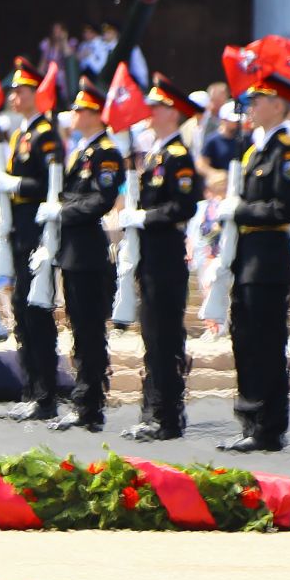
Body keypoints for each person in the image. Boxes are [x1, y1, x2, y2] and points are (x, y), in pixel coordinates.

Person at [217, 67, 290, 453]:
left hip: (268, 258)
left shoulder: (287, 151)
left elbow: (286, 208)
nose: (250, 107)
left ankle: (268, 426)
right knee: (245, 340)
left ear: (277, 104)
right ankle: (250, 420)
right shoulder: (255, 150)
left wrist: (240, 210)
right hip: (247, 258)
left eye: (257, 100)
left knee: (266, 344)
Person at [120, 75, 203, 441]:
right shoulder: (155, 154)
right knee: (152, 336)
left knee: (165, 336)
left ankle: (168, 416)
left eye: (155, 107)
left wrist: (145, 217)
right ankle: (152, 409)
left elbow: (183, 205)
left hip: (167, 255)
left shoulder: (178, 157)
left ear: (171, 112)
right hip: (151, 256)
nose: (149, 113)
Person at [39, 78, 124, 433]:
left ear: (94, 114)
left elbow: (99, 201)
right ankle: (83, 399)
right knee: (79, 328)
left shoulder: (105, 152)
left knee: (89, 331)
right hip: (73, 252)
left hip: (88, 252)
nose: (72, 114)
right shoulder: (82, 150)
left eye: (79, 109)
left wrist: (61, 209)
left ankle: (89, 404)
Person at [0, 57, 66, 422]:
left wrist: (16, 184)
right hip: (19, 232)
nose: (14, 96)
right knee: (21, 309)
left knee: (36, 312)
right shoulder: (20, 134)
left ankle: (45, 394)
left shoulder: (45, 135)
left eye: (21, 90)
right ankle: (31, 388)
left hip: (36, 233)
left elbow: (52, 184)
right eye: (13, 90)